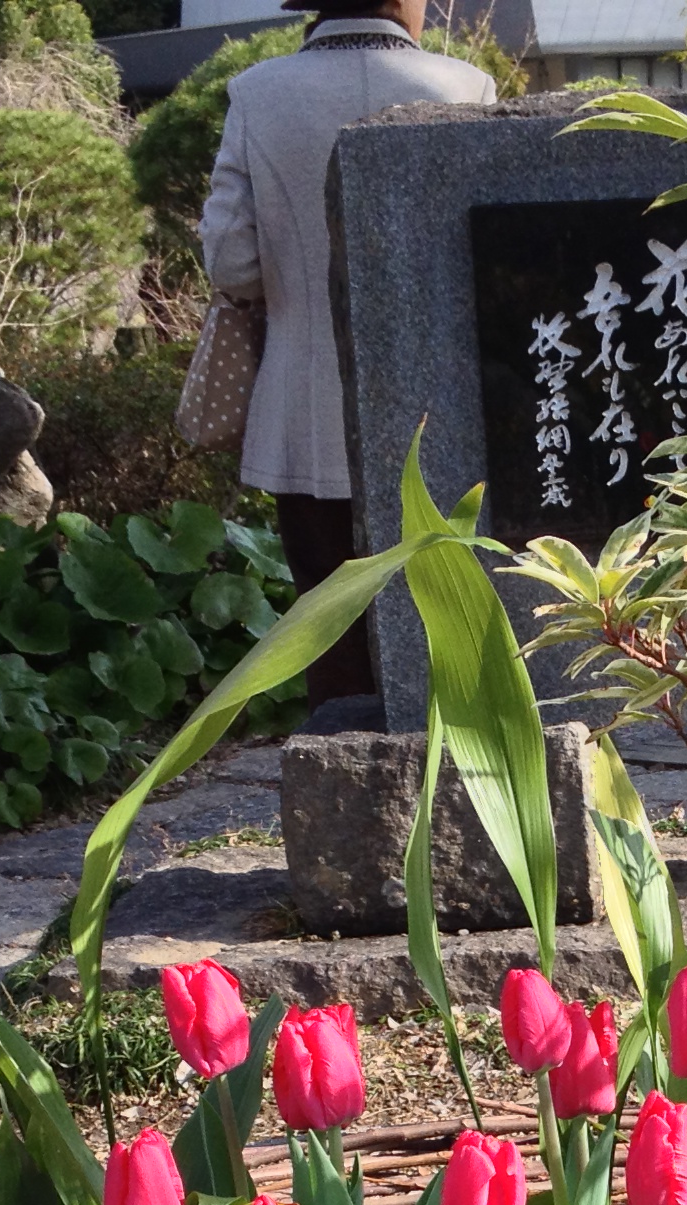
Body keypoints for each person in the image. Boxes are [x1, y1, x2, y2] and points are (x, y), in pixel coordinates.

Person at [201, 0, 495, 708]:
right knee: (446, 611)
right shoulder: (466, 88)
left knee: (329, 625)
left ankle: (343, 778)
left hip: (303, 407)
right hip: (447, 409)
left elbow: (231, 261)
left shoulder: (258, 93)